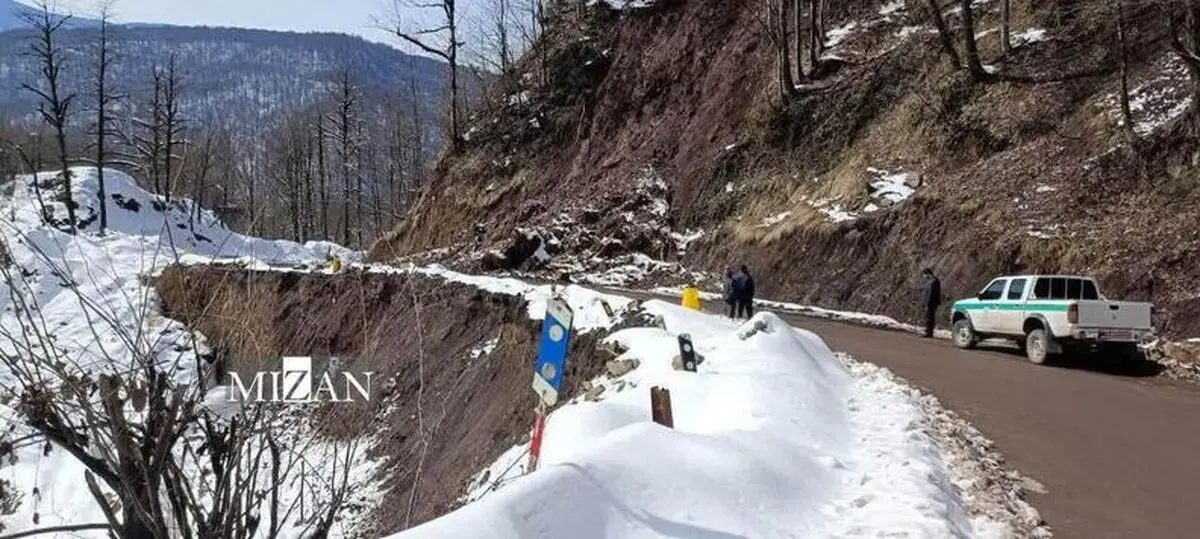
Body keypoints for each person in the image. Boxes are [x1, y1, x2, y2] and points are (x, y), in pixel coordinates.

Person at [918, 267, 942, 338]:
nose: (924, 277)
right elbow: (922, 288)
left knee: (929, 317)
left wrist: (927, 304)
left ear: (928, 274)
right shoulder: (929, 281)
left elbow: (931, 294)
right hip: (928, 302)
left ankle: (929, 332)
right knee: (928, 317)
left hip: (931, 302)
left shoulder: (934, 281)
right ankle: (928, 331)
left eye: (924, 275)